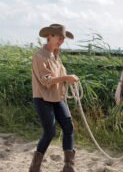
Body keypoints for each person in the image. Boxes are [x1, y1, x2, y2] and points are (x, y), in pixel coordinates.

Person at [29, 24, 79, 172]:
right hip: (42, 98)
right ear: (49, 36)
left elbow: (57, 77)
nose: (61, 40)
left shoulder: (56, 55)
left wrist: (67, 79)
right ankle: (35, 167)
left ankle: (68, 167)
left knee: (69, 128)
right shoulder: (40, 56)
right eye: (59, 37)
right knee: (50, 132)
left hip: (58, 98)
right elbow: (46, 80)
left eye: (63, 38)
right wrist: (66, 77)